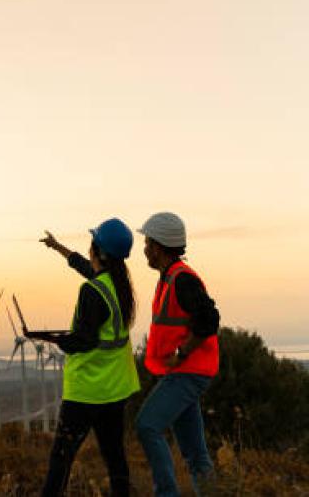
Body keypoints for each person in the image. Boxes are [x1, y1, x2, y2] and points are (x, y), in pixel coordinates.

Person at [26, 218, 141, 497]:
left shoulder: (91, 291)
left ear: (100, 252)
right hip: (116, 388)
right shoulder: (119, 285)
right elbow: (84, 266)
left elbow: (84, 342)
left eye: (92, 244)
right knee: (115, 457)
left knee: (61, 460)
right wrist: (58, 247)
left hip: (87, 391)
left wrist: (51, 339)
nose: (89, 250)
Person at [134, 212, 220, 497]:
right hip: (184, 372)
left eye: (147, 243)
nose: (144, 249)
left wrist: (182, 354)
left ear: (158, 247)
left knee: (147, 426)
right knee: (195, 453)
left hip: (188, 372)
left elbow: (209, 319)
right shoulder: (170, 278)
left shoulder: (182, 280)